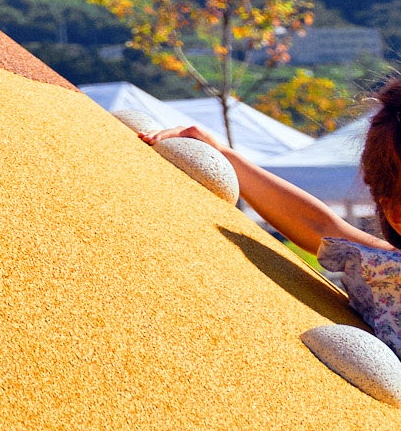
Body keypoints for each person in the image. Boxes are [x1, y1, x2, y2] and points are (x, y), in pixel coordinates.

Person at [146, 77, 401, 350]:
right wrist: (222, 156)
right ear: (396, 215)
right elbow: (317, 226)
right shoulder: (387, 271)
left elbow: (320, 227)